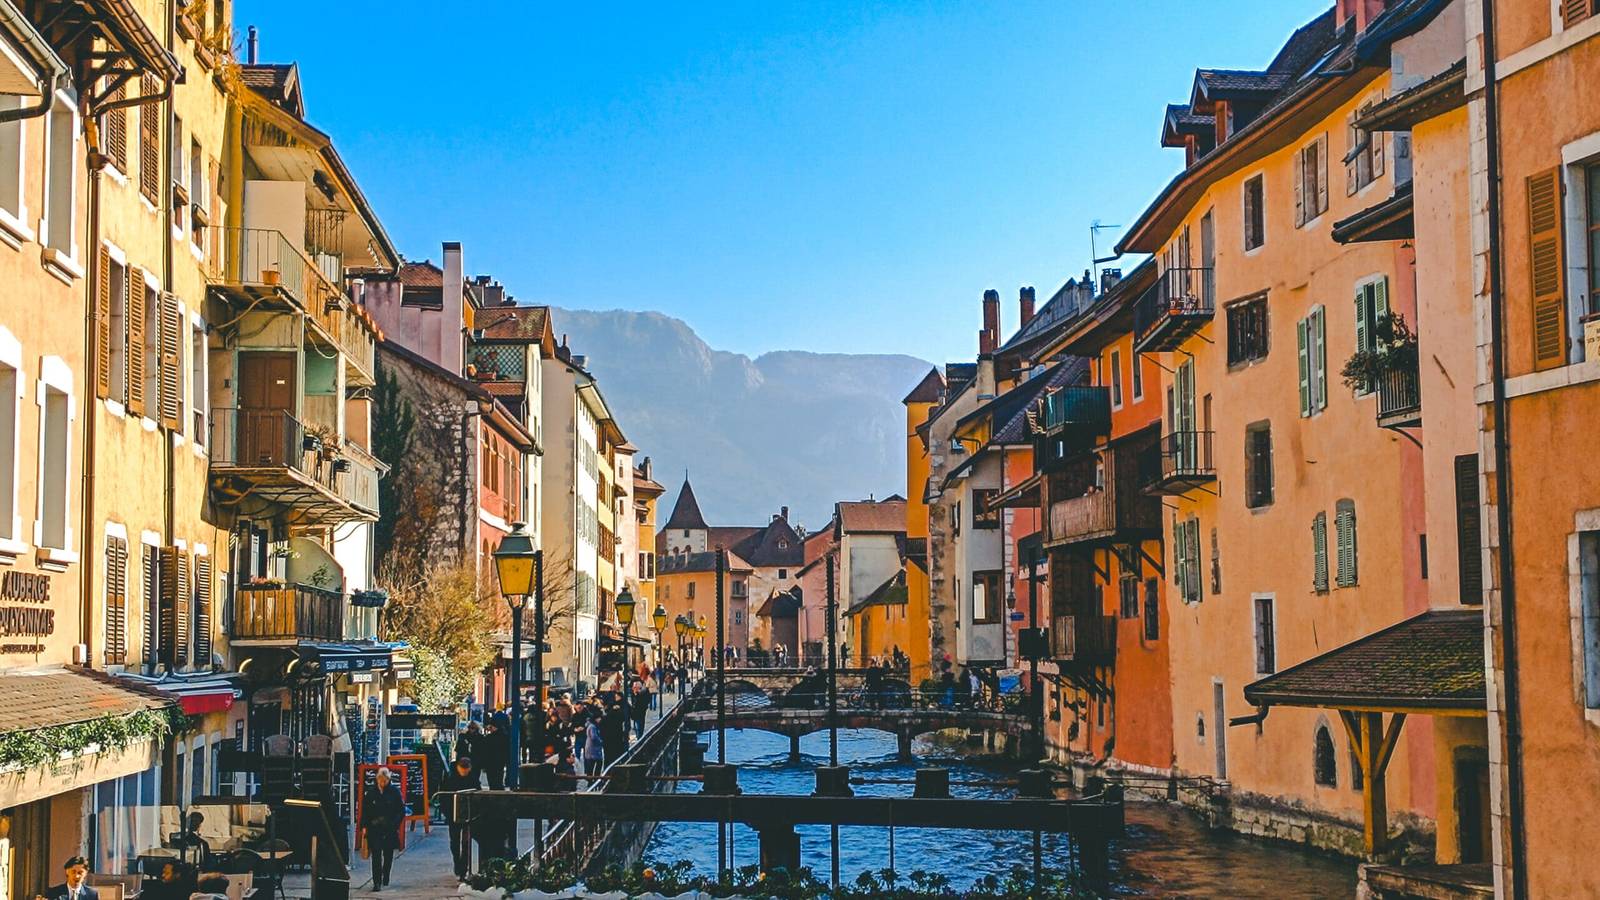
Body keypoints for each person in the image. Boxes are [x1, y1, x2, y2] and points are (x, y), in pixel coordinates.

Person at [362, 767, 406, 891]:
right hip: (375, 827)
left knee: (388, 854)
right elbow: (365, 811)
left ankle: (385, 874)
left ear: (388, 780)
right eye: (380, 780)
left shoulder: (394, 792)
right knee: (376, 855)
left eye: (385, 781)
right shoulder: (371, 793)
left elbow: (401, 810)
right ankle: (377, 881)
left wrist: (395, 825)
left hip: (389, 827)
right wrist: (364, 826)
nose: (382, 783)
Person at [441, 755, 480, 879]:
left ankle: (462, 869)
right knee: (455, 842)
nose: (464, 772)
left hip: (468, 815)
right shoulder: (450, 778)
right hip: (453, 814)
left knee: (466, 842)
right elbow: (444, 797)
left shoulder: (472, 778)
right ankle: (458, 864)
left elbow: (478, 795)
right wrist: (447, 813)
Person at [479, 718, 509, 790]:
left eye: (490, 727)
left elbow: (485, 751)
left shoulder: (489, 738)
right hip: (500, 762)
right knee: (498, 779)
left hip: (490, 762)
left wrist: (483, 763)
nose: (489, 729)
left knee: (492, 781)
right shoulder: (504, 736)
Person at [582, 712, 605, 778]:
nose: (600, 719)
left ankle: (592, 778)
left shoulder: (591, 725)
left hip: (591, 748)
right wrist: (601, 741)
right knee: (597, 763)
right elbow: (594, 737)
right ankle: (594, 778)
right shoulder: (593, 727)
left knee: (592, 765)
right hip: (593, 749)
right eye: (599, 718)